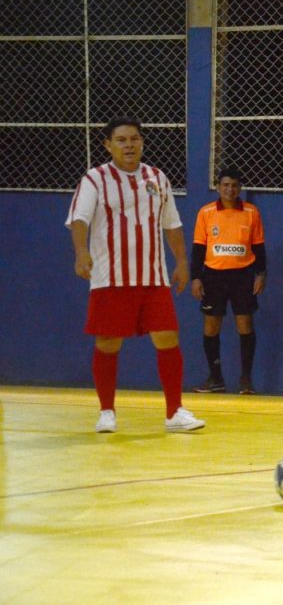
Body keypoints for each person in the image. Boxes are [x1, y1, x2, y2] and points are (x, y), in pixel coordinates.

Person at [66, 117, 205, 434]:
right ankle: (106, 411)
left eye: (134, 139)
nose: (129, 145)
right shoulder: (95, 179)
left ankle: (174, 411)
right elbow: (79, 219)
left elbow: (172, 224)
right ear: (108, 145)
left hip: (153, 277)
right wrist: (81, 252)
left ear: (142, 142)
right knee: (108, 342)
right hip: (110, 277)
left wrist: (182, 262)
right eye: (121, 140)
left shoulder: (157, 177)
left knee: (168, 336)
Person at [190, 167, 267, 395]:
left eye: (234, 185)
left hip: (243, 276)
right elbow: (198, 248)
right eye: (225, 185)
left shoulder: (251, 212)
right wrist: (196, 277)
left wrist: (261, 274)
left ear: (240, 188)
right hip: (214, 276)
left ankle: (246, 380)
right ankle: (215, 379)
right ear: (218, 187)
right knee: (211, 326)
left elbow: (259, 247)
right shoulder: (206, 212)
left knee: (245, 325)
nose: (230, 189)